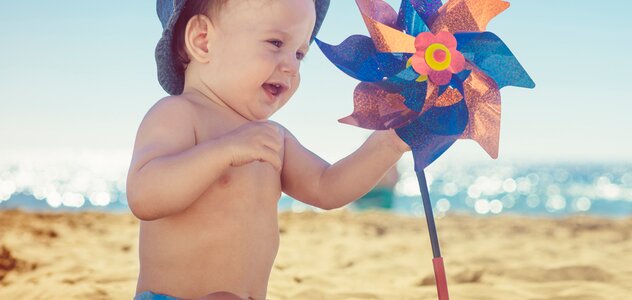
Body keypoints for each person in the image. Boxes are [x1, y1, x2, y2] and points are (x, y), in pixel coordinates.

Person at [126, 0, 410, 299]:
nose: (291, 66)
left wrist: (389, 142)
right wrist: (224, 151)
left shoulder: (273, 137)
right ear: (203, 41)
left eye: (300, 53)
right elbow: (145, 196)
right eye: (275, 43)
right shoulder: (179, 114)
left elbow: (327, 187)